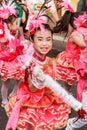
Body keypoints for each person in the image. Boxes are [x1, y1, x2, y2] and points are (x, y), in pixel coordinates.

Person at [4, 15, 72, 130]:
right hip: (31, 104)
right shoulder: (30, 62)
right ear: (32, 40)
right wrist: (37, 80)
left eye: (48, 39)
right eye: (40, 39)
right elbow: (32, 88)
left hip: (47, 101)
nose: (45, 44)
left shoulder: (51, 61)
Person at [65, 13, 87, 130]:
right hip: (73, 64)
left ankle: (72, 120)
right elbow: (83, 45)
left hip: (78, 63)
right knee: (67, 88)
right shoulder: (75, 34)